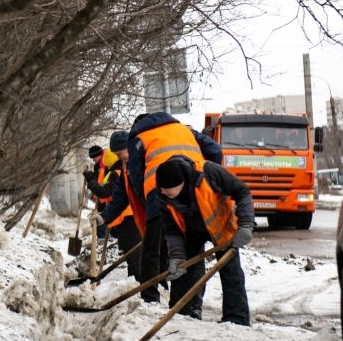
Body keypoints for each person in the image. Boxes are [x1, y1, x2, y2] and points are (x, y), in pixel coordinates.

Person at [95, 113, 222, 303]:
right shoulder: (181, 133)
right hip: (192, 198)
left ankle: (152, 299)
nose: (123, 159)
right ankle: (187, 304)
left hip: (160, 202)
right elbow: (121, 196)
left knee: (153, 251)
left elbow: (138, 184)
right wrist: (104, 217)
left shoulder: (140, 144)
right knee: (185, 252)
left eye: (122, 154)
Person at [154, 156, 252, 325]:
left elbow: (242, 191)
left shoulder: (208, 172)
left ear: (181, 182)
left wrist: (246, 224)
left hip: (221, 227)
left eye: (168, 188)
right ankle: (179, 314)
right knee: (181, 269)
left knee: (230, 271)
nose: (164, 192)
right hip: (191, 232)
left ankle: (237, 318)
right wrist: (177, 255)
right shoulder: (163, 197)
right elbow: (172, 230)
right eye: (162, 188)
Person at [84, 132, 140, 278]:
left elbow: (107, 191)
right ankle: (134, 279)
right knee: (130, 253)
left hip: (127, 216)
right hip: (119, 215)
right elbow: (114, 196)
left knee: (134, 253)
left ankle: (139, 282)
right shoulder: (119, 171)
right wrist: (103, 213)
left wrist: (91, 183)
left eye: (120, 154)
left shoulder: (119, 171)